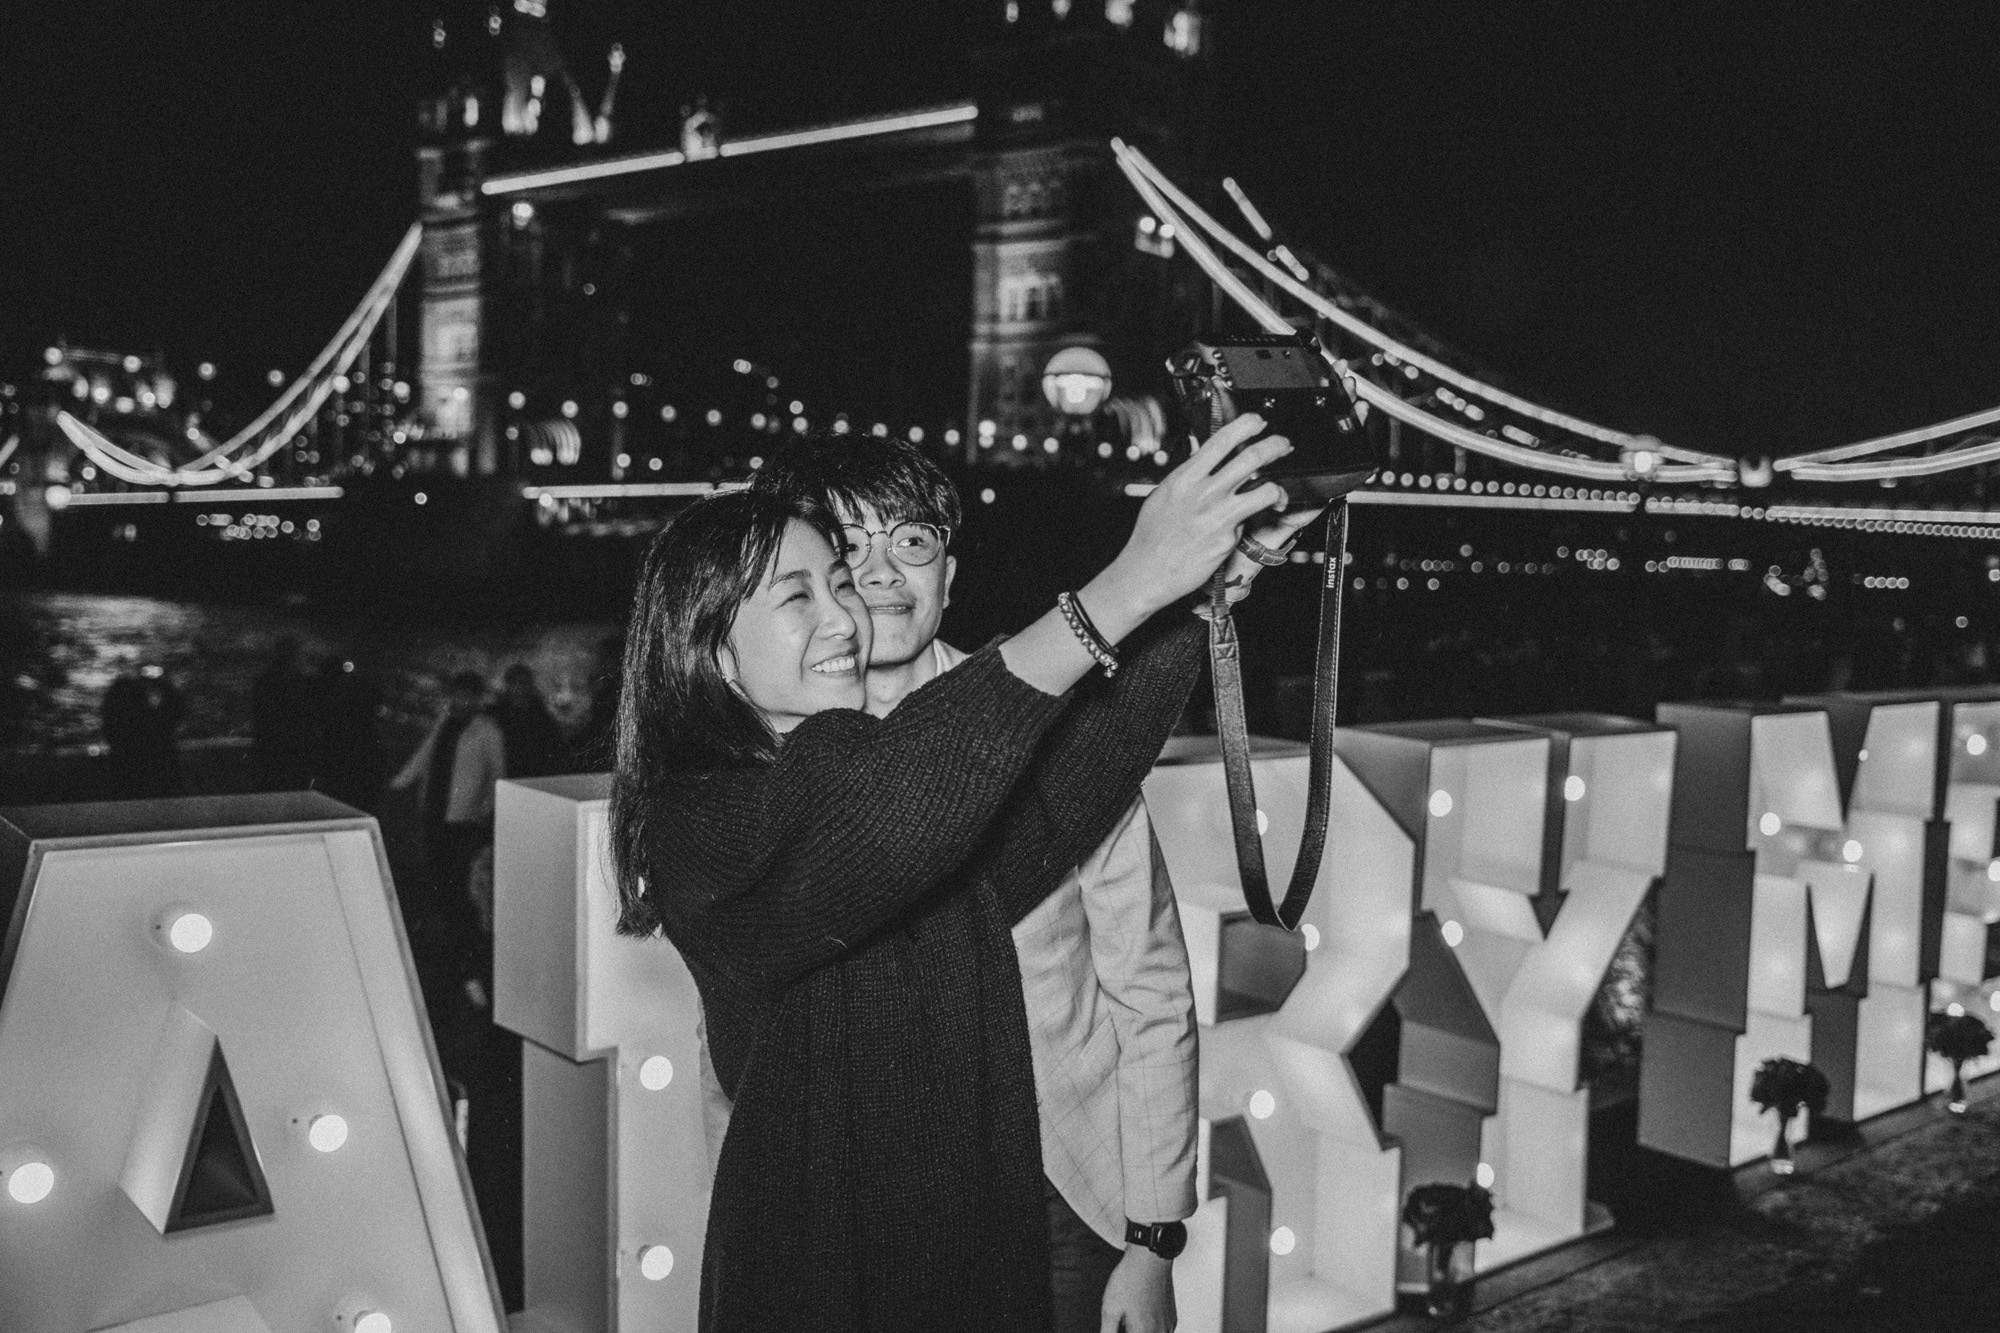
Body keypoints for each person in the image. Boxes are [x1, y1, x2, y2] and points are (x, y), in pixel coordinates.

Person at [610, 415, 1309, 1331]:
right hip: (826, 1268)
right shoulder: (704, 823)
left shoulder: (934, 761)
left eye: (886, 556)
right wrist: (1129, 583)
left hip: (982, 1236)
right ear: (713, 654)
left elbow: (1069, 784)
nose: (853, 603)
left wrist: (1213, 584)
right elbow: (891, 813)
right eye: (807, 592)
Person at [758, 431, 1246, 1333]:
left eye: (911, 542)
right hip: (877, 1213)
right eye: (848, 546)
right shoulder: (773, 769)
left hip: (1063, 1186)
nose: (882, 573)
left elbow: (1150, 985)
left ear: (950, 572)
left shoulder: (1057, 727)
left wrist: (1154, 1238)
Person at [390, 670, 507, 999]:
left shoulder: (486, 730)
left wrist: (484, 810)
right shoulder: (446, 721)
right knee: (442, 884)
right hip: (434, 813)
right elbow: (424, 756)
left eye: (466, 696)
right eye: (457, 695)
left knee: (460, 890)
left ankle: (469, 963)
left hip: (463, 820)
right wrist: (398, 782)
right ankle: (459, 958)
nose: (460, 701)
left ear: (477, 697)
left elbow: (498, 773)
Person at [251, 635, 317, 791]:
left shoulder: (264, 681)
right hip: (296, 750)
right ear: (295, 655)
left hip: (270, 748)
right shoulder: (301, 682)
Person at [492, 662, 565, 779]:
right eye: (514, 683)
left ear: (530, 686)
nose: (518, 688)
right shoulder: (495, 716)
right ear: (507, 685)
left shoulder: (542, 718)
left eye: (522, 683)